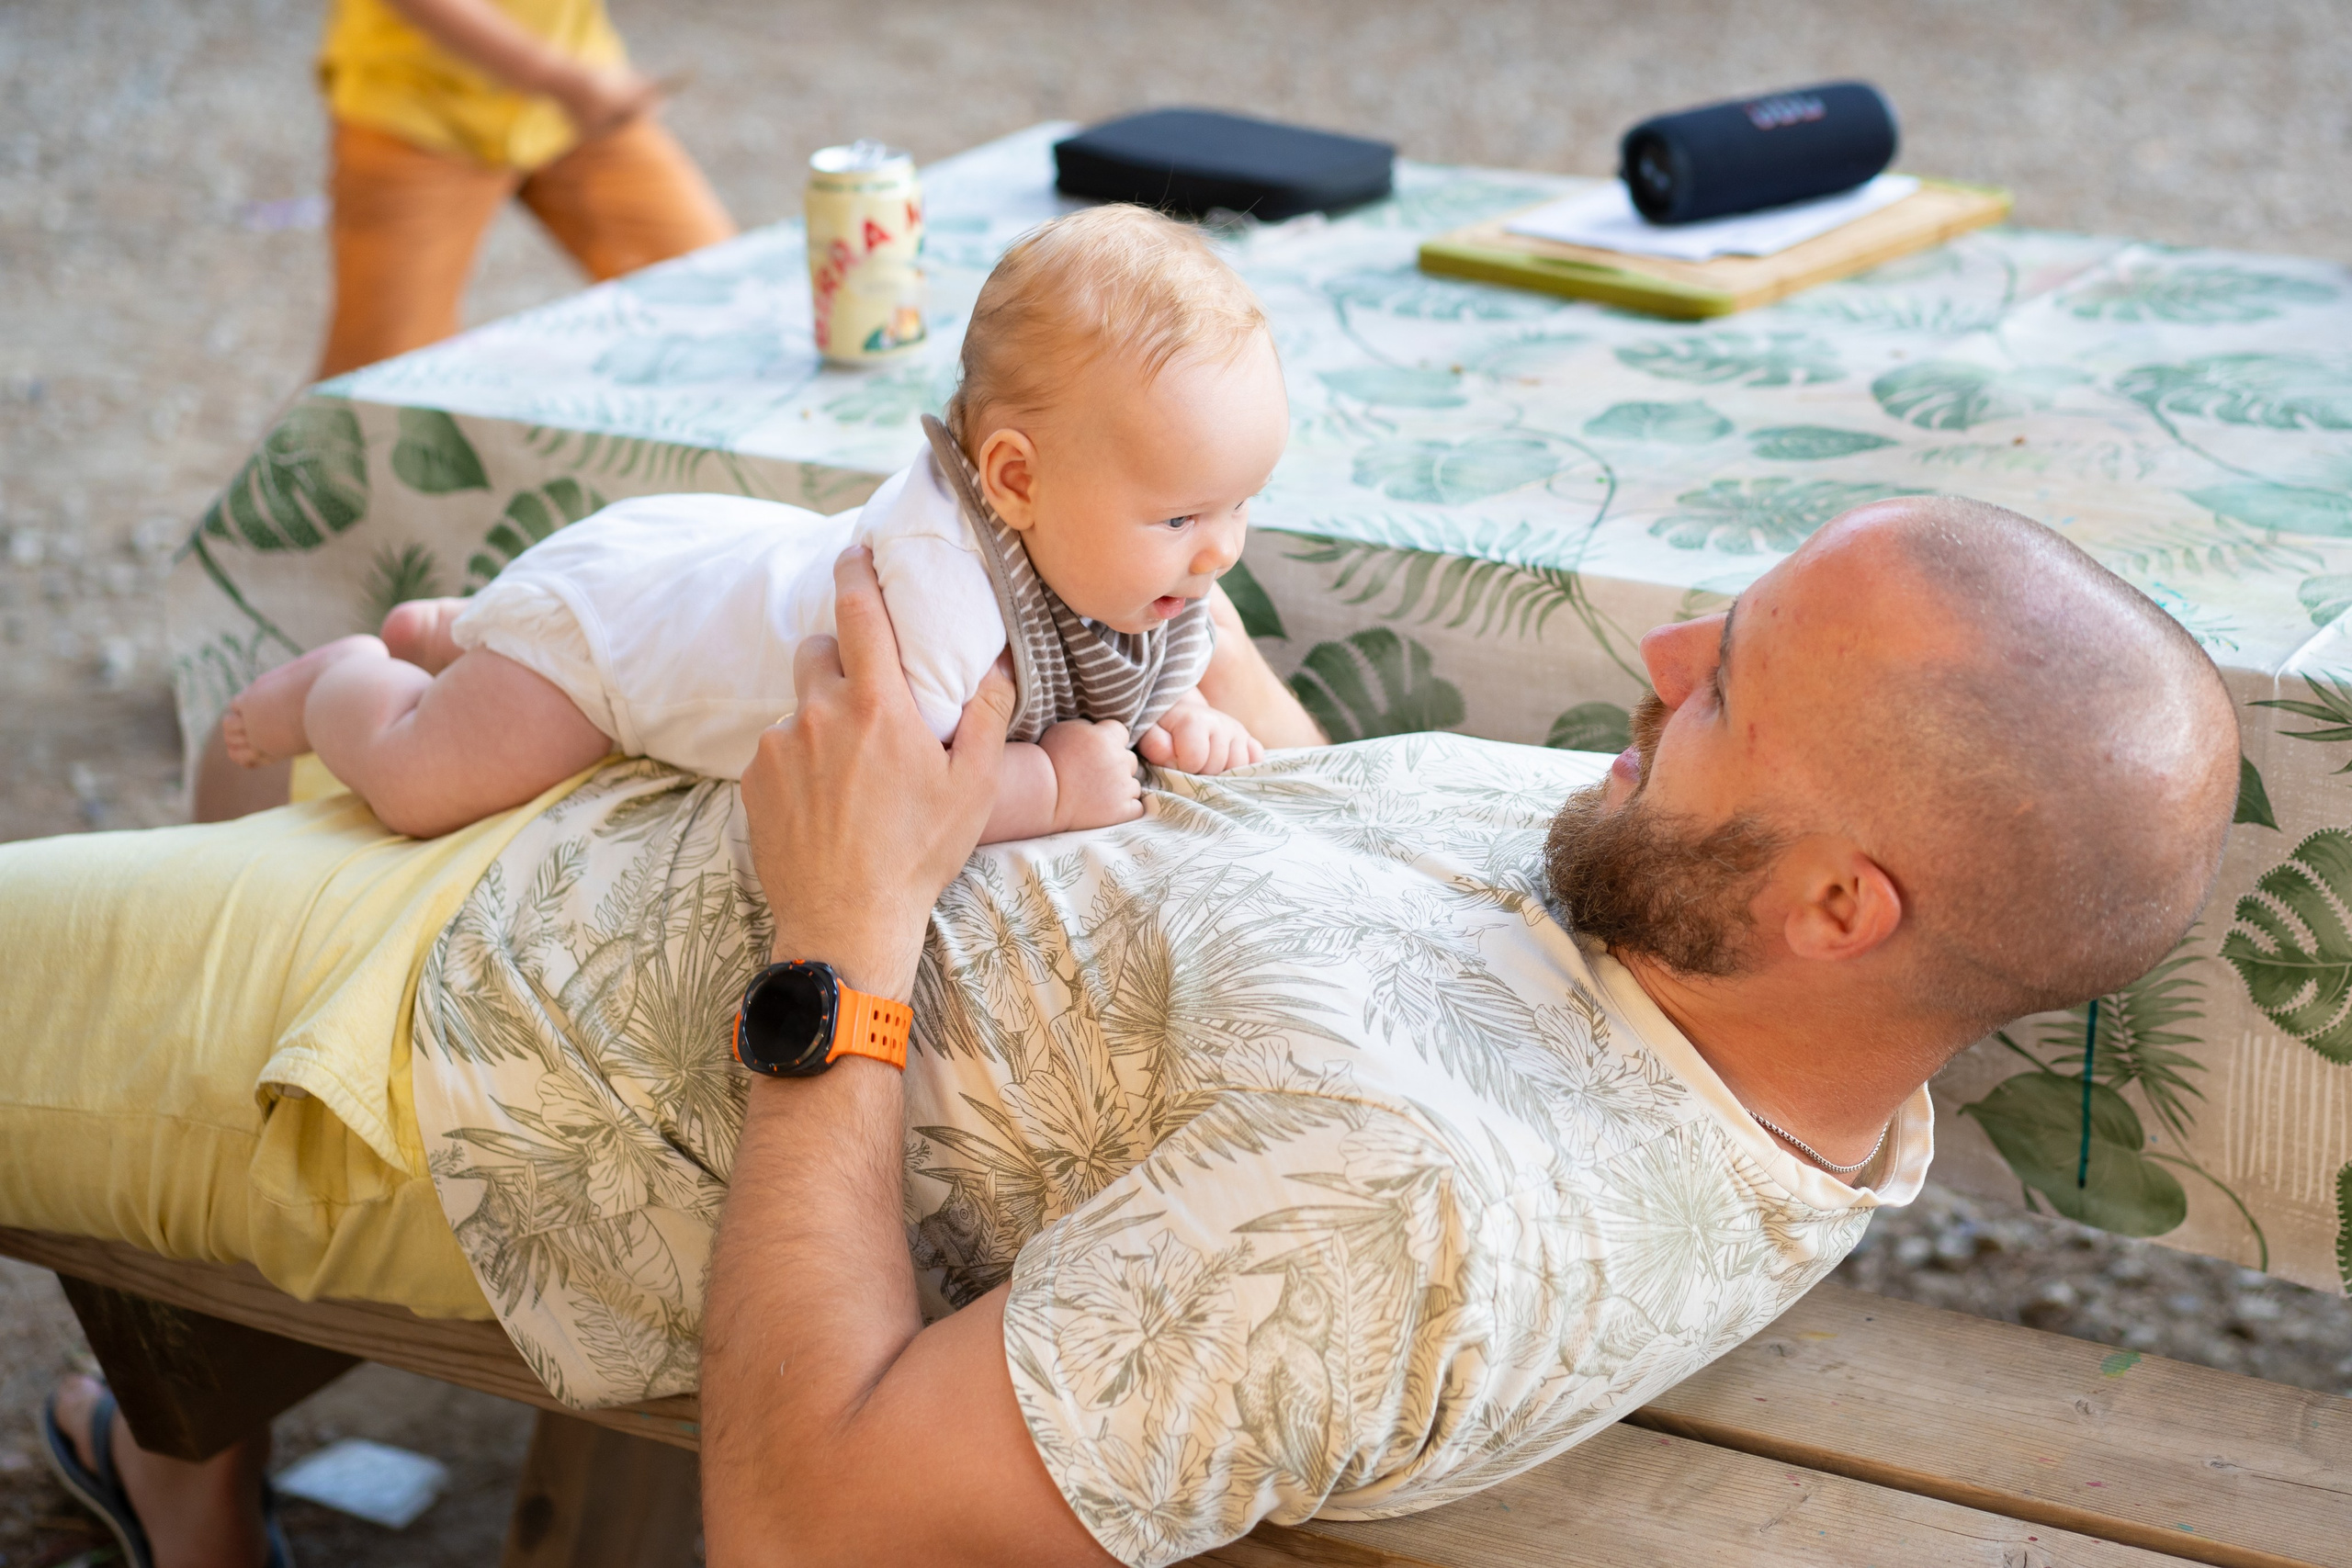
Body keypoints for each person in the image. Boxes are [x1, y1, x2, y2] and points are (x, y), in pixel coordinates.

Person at [17, 498, 2238, 1566]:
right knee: (265, 723)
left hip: (447, 1062)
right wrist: (1152, 589)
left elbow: (811, 1521)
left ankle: (172, 1431)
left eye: (1725, 684)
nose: (1654, 654)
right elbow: (1268, 822)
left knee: (214, 807)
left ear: (1840, 903)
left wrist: (840, 932)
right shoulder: (1692, 914)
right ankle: (180, 1464)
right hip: (605, 847)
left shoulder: (1417, 1216)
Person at [221, 207, 1282, 840]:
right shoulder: (937, 588)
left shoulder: (1120, 557)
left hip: (701, 562)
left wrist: (1184, 720)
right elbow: (880, 785)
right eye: (1183, 514)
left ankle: (455, 628)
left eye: (1239, 506)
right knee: (425, 783)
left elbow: (1126, 677)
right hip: (618, 644)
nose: (1220, 549)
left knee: (514, 628)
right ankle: (352, 679)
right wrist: (1050, 785)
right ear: (1013, 478)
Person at [314, 0, 736, 378]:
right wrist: (556, 79)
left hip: (580, 90)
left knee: (724, 304)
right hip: (418, 108)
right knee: (380, 378)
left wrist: (570, 82)